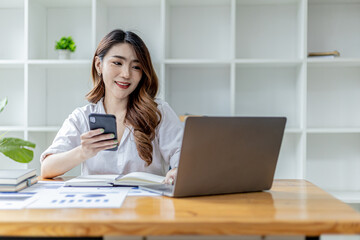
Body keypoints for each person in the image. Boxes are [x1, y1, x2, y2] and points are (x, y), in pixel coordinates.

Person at [40, 29, 183, 184]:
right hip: (98, 204)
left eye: (136, 67)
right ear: (99, 65)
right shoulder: (82, 117)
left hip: (145, 204)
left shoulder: (158, 112)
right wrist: (83, 152)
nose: (126, 74)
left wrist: (176, 171)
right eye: (117, 63)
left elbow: (182, 157)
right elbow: (47, 168)